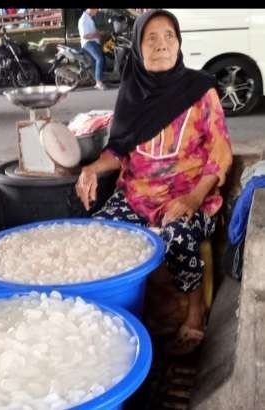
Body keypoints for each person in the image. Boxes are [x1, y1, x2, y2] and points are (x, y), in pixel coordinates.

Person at [75, 9, 233, 355]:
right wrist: (90, 169)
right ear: (138, 47)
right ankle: (121, 313)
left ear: (179, 44)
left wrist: (193, 199)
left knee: (178, 233)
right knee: (98, 232)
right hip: (137, 193)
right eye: (152, 39)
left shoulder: (201, 91)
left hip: (192, 194)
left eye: (169, 38)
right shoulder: (133, 93)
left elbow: (220, 155)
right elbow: (118, 152)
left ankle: (194, 311)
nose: (161, 46)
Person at [78, 8, 106, 90]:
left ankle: (100, 77)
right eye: (96, 10)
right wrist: (97, 35)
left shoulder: (89, 18)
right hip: (88, 43)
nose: (97, 12)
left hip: (94, 42)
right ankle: (98, 82)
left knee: (101, 58)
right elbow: (85, 35)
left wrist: (99, 33)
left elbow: (93, 31)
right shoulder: (83, 19)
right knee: (99, 59)